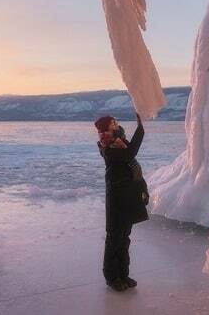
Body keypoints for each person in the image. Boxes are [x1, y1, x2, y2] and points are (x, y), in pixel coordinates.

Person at [94, 112, 149, 292]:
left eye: (114, 123)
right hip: (117, 200)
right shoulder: (107, 148)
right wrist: (140, 128)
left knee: (124, 239)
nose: (116, 124)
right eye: (112, 123)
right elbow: (129, 155)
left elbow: (134, 167)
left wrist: (144, 189)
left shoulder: (121, 142)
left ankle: (123, 274)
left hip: (129, 197)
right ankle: (112, 277)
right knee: (114, 239)